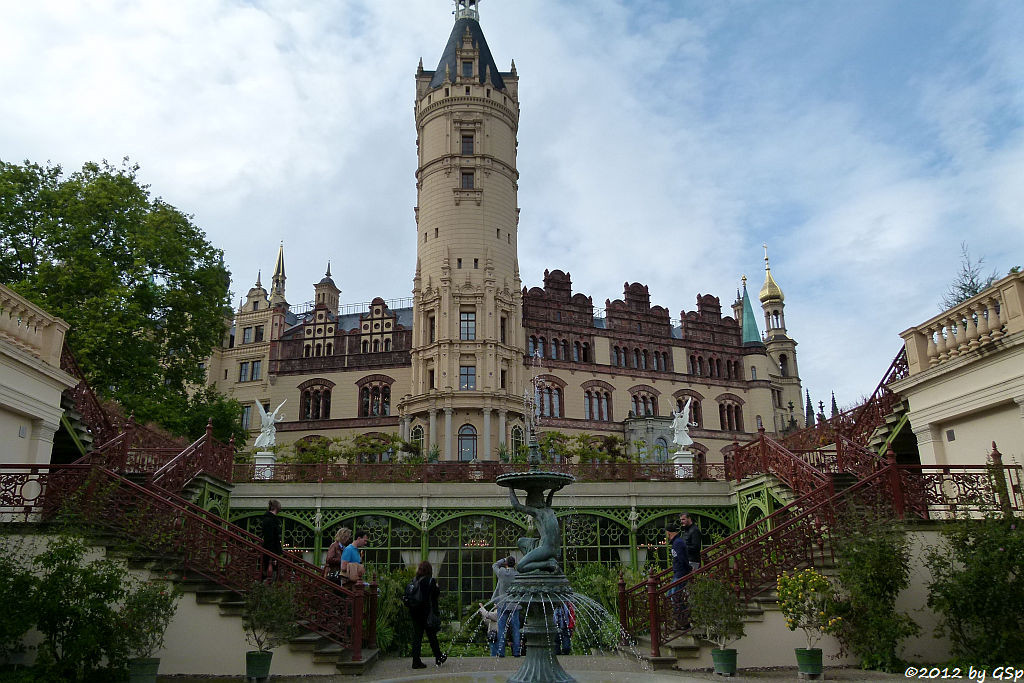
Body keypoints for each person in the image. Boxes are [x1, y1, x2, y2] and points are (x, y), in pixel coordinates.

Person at [407, 561, 446, 669]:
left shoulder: (415, 580)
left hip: (415, 612)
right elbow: (434, 596)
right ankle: (438, 657)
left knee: (417, 637)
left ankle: (416, 660)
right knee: (432, 636)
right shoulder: (430, 581)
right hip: (427, 613)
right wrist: (436, 587)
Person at [491, 556, 521, 657]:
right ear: (514, 564)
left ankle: (501, 652)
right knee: (516, 628)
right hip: (514, 604)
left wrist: (503, 559)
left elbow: (494, 565)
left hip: (502, 604)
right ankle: (517, 652)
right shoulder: (517, 575)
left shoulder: (502, 572)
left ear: (506, 564)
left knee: (502, 628)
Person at [665, 523, 691, 627]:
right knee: (671, 595)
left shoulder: (678, 543)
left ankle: (683, 620)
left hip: (680, 573)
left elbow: (682, 558)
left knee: (674, 596)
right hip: (678, 572)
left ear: (668, 532)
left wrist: (687, 569)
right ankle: (681, 619)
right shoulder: (677, 542)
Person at [260, 499, 283, 581]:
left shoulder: (269, 520)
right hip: (271, 552)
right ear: (276, 508)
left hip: (271, 551)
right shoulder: (270, 521)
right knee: (271, 575)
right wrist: (273, 556)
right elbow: (270, 539)